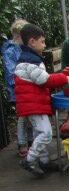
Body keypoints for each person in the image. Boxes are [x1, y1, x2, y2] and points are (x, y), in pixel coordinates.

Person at [14, 23, 69, 178]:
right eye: (42, 41)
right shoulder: (30, 62)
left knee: (38, 133)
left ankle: (44, 160)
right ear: (32, 42)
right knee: (46, 133)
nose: (44, 45)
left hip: (32, 104)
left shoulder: (28, 59)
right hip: (33, 105)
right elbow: (44, 80)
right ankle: (29, 160)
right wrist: (64, 78)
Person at [1, 18, 32, 158]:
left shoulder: (24, 49)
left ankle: (30, 141)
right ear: (16, 36)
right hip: (17, 91)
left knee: (30, 115)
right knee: (22, 117)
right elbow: (11, 73)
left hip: (27, 89)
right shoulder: (10, 51)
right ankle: (21, 143)